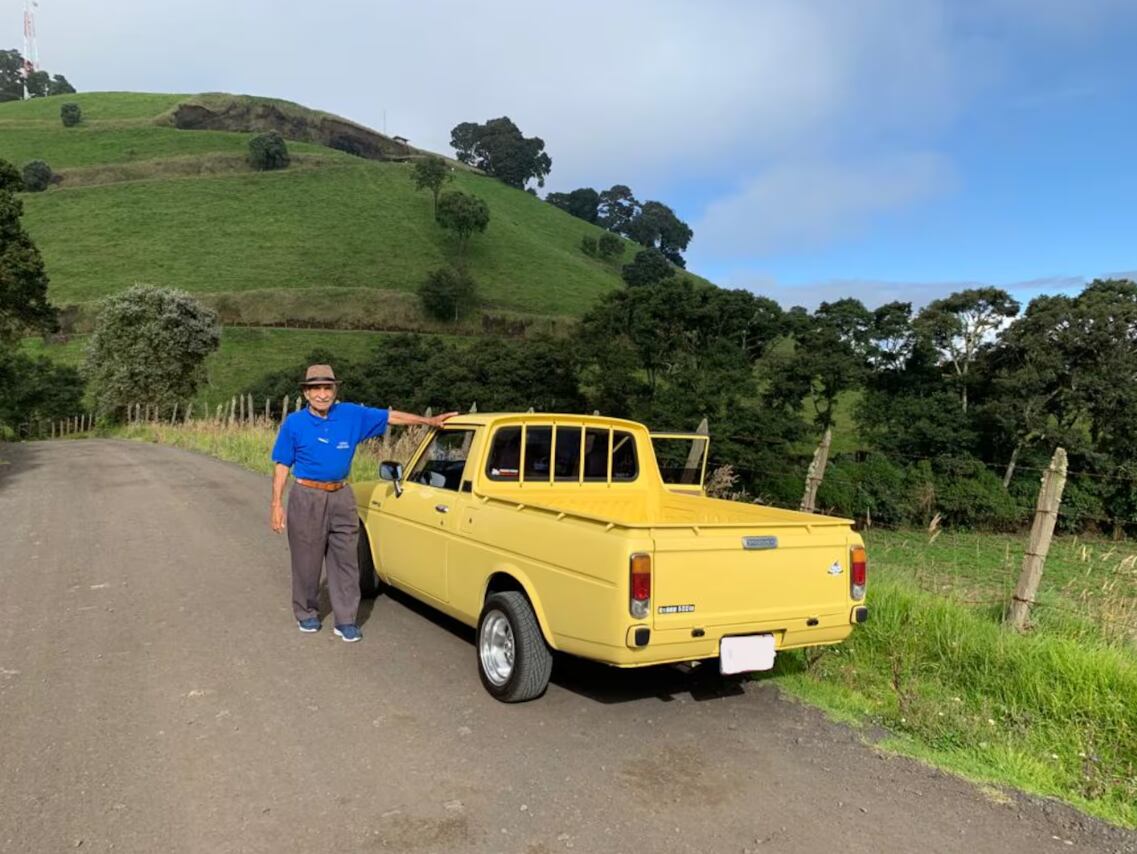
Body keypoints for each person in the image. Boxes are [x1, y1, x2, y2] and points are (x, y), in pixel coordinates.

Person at [270, 364, 456, 642]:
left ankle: (346, 619)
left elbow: (391, 416)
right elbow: (282, 464)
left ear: (335, 390)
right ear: (306, 393)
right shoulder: (294, 423)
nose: (322, 394)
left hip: (342, 494)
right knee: (306, 561)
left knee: (346, 558)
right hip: (306, 496)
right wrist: (276, 504)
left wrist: (428, 422)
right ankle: (307, 612)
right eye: (316, 389)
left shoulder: (350, 415)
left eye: (327, 388)